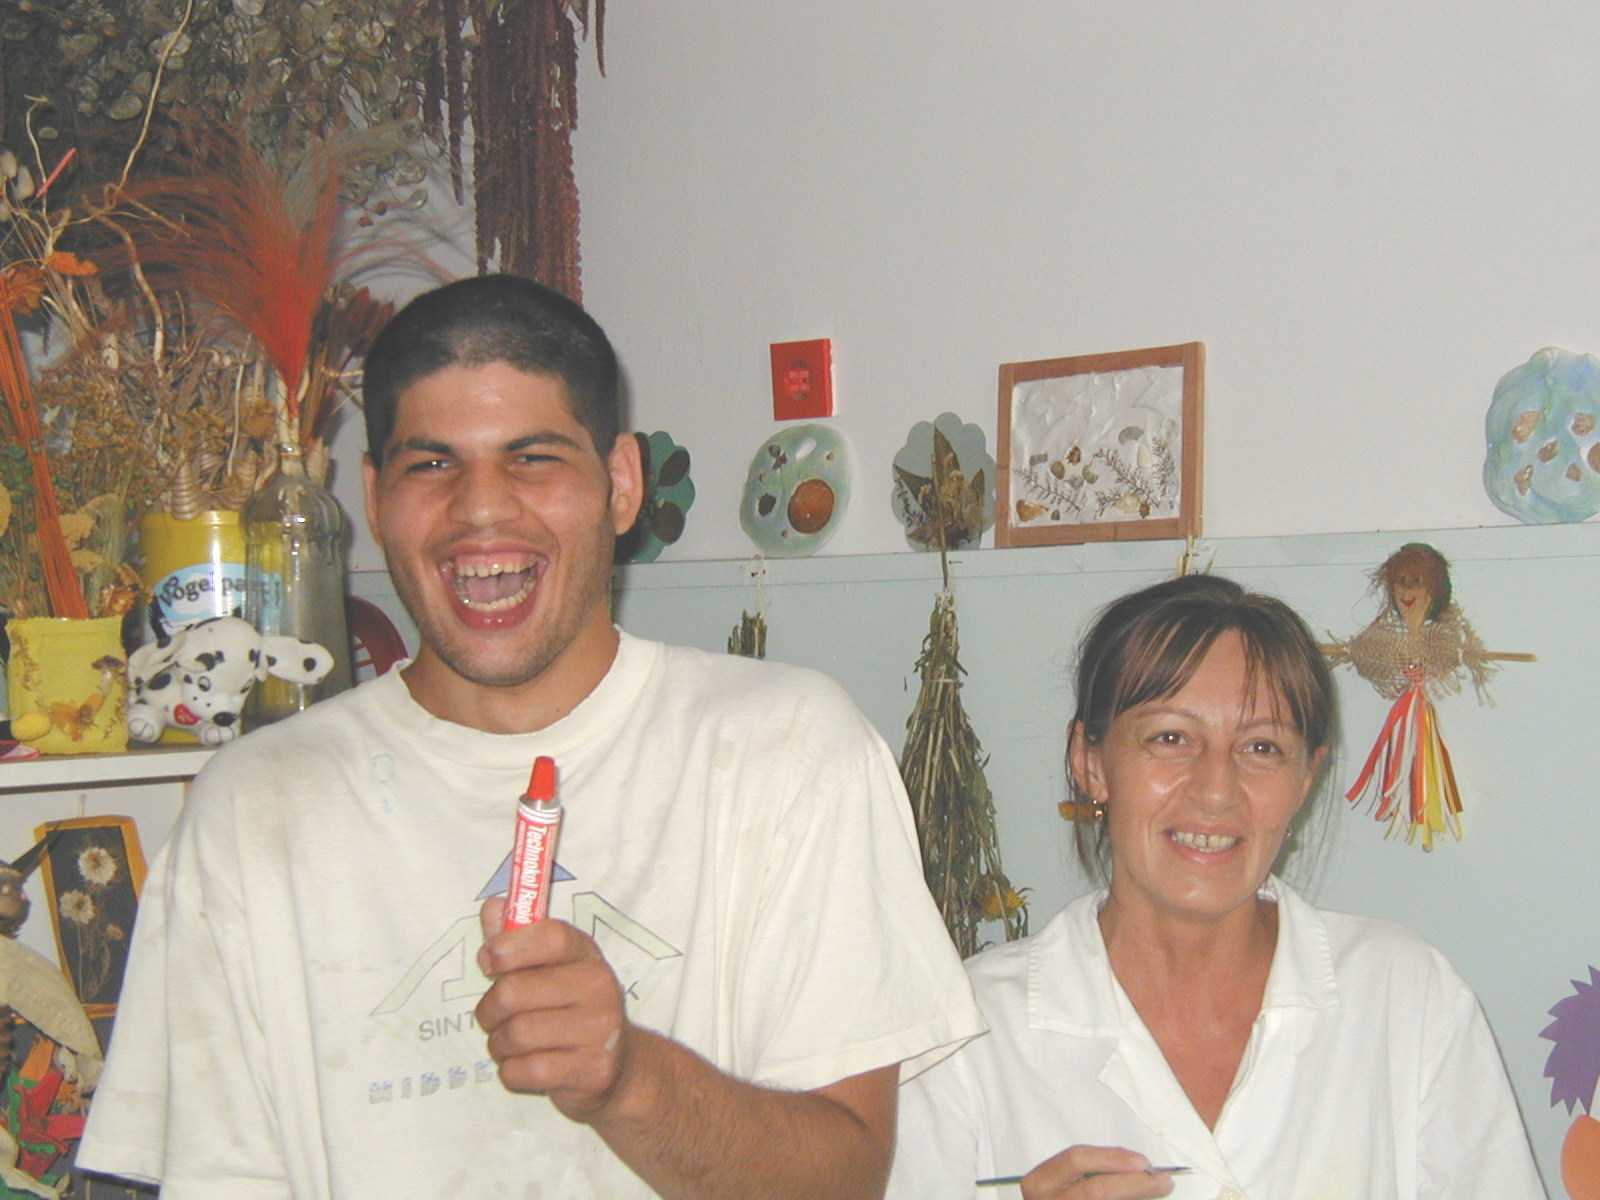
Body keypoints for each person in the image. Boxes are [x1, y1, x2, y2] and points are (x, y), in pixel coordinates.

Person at [78, 274, 983, 1198]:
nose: (480, 510)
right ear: (374, 496)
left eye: (534, 458)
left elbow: (842, 1182)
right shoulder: (255, 805)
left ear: (621, 484)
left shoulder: (785, 749)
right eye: (432, 465)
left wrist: (627, 1078)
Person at [887, 573, 1542, 1198]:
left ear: (1305, 780)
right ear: (1090, 762)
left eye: (1262, 748)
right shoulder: (966, 1034)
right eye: (1170, 738)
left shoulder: (1407, 1000)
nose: (1216, 789)